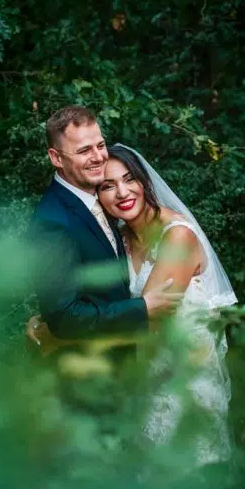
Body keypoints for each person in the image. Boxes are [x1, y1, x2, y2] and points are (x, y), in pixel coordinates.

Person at [30, 141, 239, 466]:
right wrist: (56, 313)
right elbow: (98, 299)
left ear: (145, 181)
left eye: (130, 179)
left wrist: (54, 333)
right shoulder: (119, 240)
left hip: (182, 385)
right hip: (137, 383)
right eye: (107, 186)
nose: (123, 192)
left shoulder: (177, 237)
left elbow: (149, 319)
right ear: (96, 197)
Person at [28, 106, 184, 350]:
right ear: (56, 157)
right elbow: (64, 317)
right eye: (84, 150)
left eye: (100, 145)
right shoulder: (53, 222)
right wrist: (142, 308)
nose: (98, 156)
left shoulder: (105, 202)